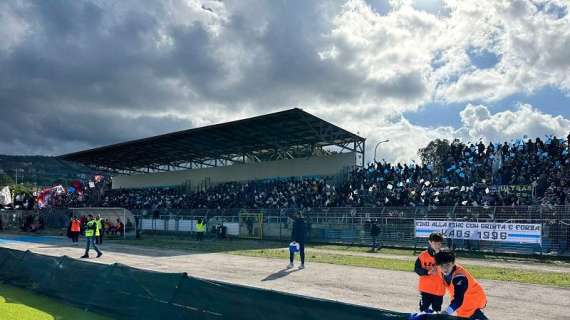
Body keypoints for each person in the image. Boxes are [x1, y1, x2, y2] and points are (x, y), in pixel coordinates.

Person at [435, 250, 487, 319]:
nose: (445, 268)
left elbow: (458, 298)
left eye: (447, 264)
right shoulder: (441, 271)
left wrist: (447, 312)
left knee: (470, 313)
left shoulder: (459, 276)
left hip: (473, 298)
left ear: (453, 263)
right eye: (441, 265)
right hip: (463, 302)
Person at [414, 233, 445, 314]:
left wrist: (439, 256)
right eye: (435, 243)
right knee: (423, 312)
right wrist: (427, 272)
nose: (437, 245)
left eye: (439, 243)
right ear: (430, 242)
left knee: (436, 313)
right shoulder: (423, 255)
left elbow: (448, 270)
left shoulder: (445, 256)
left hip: (439, 290)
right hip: (425, 290)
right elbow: (417, 269)